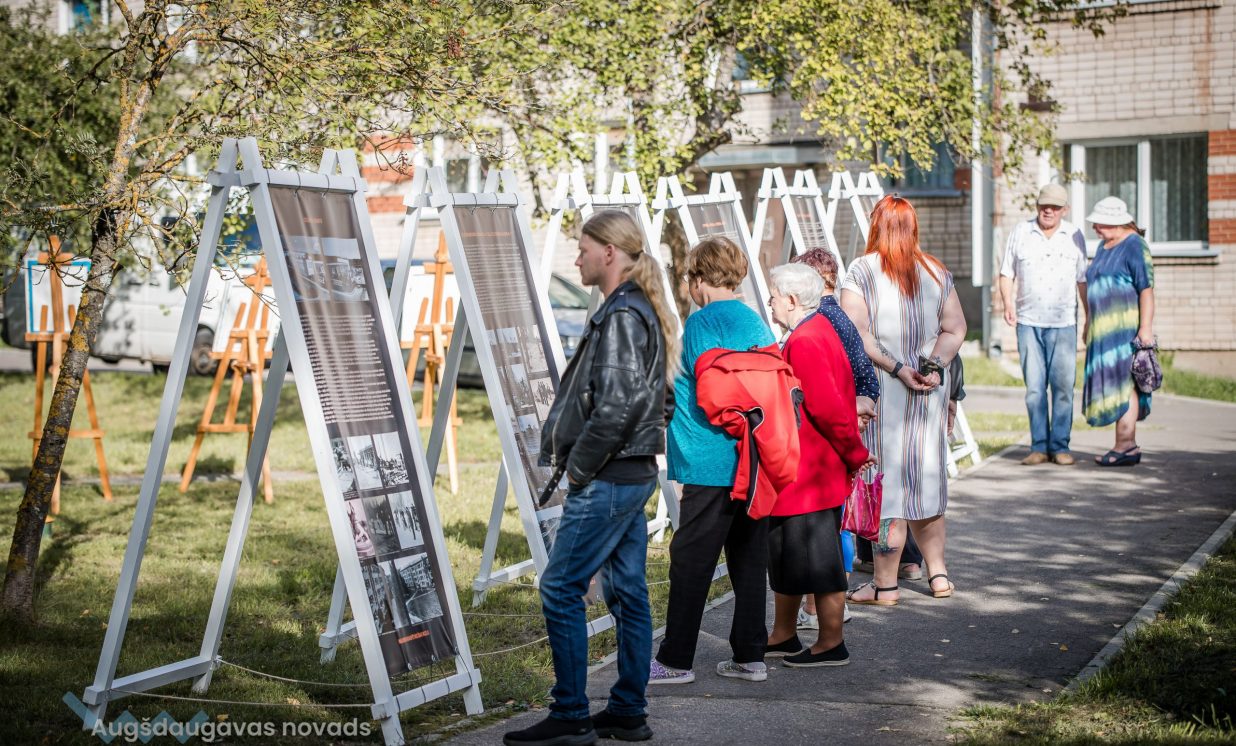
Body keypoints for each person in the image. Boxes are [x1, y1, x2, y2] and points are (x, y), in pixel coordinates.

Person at [505, 210, 677, 746]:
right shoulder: (633, 307)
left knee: (560, 587)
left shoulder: (624, 313)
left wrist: (580, 467)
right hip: (628, 473)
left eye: (582, 250)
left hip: (609, 477)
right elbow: (661, 401)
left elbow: (619, 406)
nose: (575, 259)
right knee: (627, 593)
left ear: (609, 252)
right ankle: (626, 711)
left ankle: (571, 715)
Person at [651, 236, 777, 685]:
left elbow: (712, 390)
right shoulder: (756, 322)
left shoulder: (702, 322)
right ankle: (750, 656)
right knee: (749, 560)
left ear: (698, 279)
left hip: (711, 460)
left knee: (691, 560)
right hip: (754, 459)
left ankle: (675, 660)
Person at [840, 195, 967, 605]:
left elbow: (856, 333)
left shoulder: (862, 270)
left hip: (883, 392)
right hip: (929, 392)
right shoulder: (936, 271)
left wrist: (898, 368)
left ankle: (886, 585)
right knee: (926, 480)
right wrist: (932, 366)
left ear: (876, 226)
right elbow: (956, 328)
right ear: (914, 228)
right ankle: (939, 576)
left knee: (886, 487)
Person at [764, 263, 874, 666]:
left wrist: (855, 453)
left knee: (818, 559)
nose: (770, 303)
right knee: (787, 553)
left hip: (810, 472)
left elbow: (827, 409)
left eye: (774, 296)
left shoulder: (807, 339)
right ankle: (783, 635)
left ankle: (830, 642)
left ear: (792, 300)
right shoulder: (814, 330)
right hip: (809, 470)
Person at [998, 183, 1088, 466]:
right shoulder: (1021, 232)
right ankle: (1038, 446)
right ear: (1037, 206)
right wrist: (1008, 303)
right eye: (1044, 206)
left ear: (1065, 210)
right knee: (1035, 389)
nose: (1048, 211)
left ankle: (1060, 446)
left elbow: (1082, 279)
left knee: (1063, 388)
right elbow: (1006, 272)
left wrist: (1088, 318)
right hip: (1028, 322)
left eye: (1055, 207)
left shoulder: (1074, 235)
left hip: (1064, 323)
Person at [1081, 196, 1156, 466]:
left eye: (1099, 223)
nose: (1094, 228)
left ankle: (1126, 445)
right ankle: (1122, 445)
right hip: (1102, 332)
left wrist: (1145, 329)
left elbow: (1146, 290)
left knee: (1126, 385)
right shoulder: (1103, 246)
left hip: (1124, 330)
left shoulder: (1135, 245)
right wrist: (1089, 322)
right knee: (1113, 384)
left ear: (1115, 222)